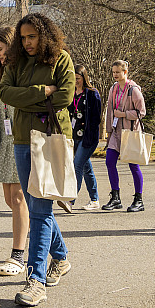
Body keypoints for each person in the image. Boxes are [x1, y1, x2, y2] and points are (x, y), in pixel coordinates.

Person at [0, 12, 75, 307]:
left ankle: (36, 281)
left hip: (50, 139)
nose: (27, 42)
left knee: (40, 209)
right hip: (21, 139)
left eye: (32, 37)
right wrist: (42, 92)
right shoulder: (15, 62)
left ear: (45, 35)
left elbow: (65, 97)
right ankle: (62, 257)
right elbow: (5, 93)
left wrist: (26, 97)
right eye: (23, 38)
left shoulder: (61, 60)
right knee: (35, 205)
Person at [0, 26, 30, 278]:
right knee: (11, 200)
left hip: (21, 140)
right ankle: (55, 248)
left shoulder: (25, 71)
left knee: (20, 199)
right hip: (3, 141)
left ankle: (18, 255)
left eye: (0, 49)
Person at [100, 60, 147, 212]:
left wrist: (124, 114)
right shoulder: (113, 88)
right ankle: (115, 197)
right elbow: (109, 111)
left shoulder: (133, 90)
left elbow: (142, 112)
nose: (115, 75)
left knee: (133, 165)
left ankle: (138, 200)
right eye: (113, 72)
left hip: (130, 133)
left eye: (118, 72)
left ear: (125, 72)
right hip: (116, 132)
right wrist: (108, 131)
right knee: (109, 161)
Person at [70, 65, 103, 211]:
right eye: (73, 79)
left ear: (84, 77)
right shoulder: (71, 94)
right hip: (74, 136)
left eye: (78, 78)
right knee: (85, 168)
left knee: (76, 165)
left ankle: (70, 200)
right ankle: (94, 199)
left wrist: (90, 132)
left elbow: (96, 118)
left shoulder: (92, 94)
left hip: (88, 137)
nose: (75, 81)